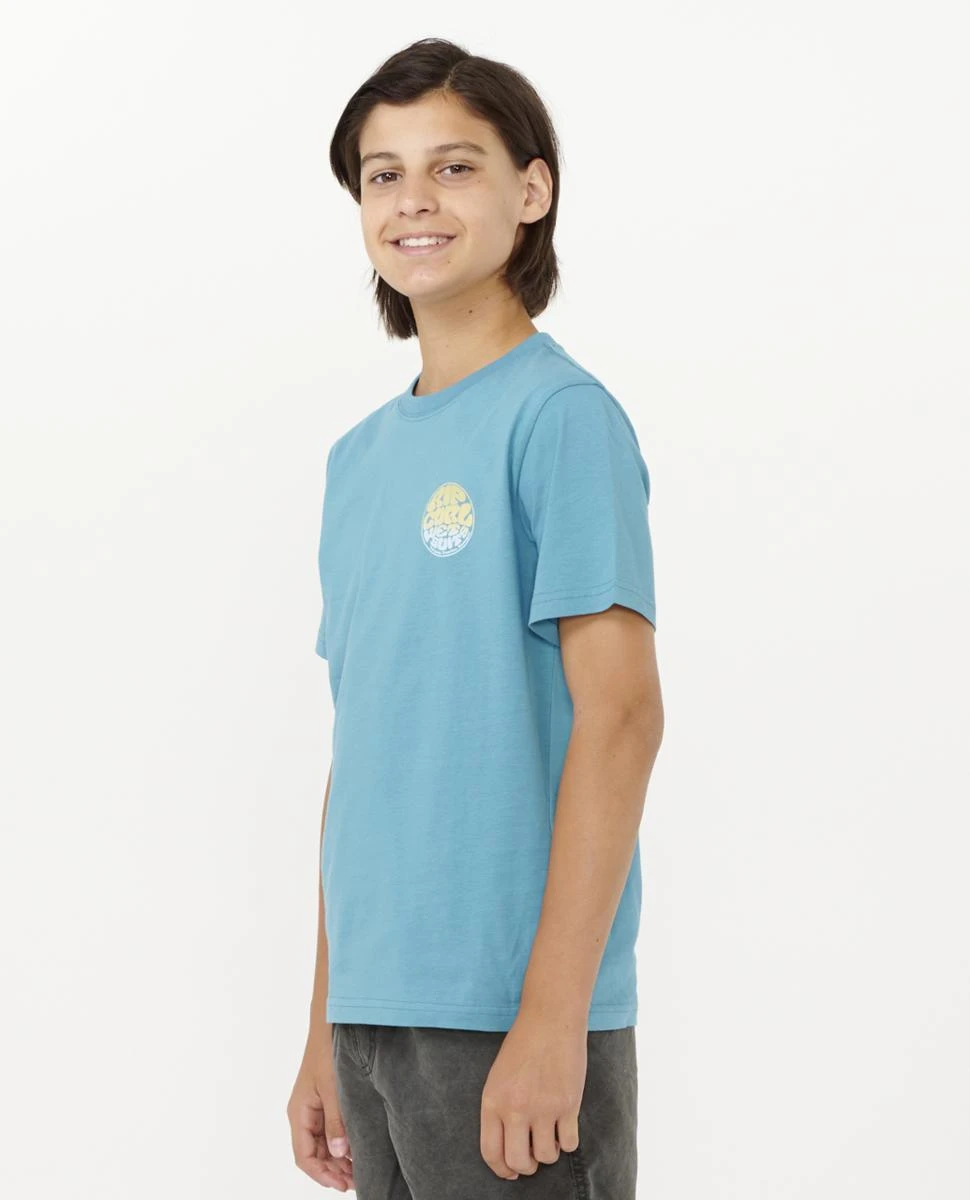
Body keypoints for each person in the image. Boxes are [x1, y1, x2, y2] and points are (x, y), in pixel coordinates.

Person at [286, 37, 664, 1198]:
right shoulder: (356, 462)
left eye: (453, 167)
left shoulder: (560, 419)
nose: (414, 200)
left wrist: (551, 1019)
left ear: (530, 190)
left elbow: (621, 718)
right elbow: (363, 754)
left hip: (508, 1016)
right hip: (375, 1018)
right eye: (384, 173)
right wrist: (325, 1024)